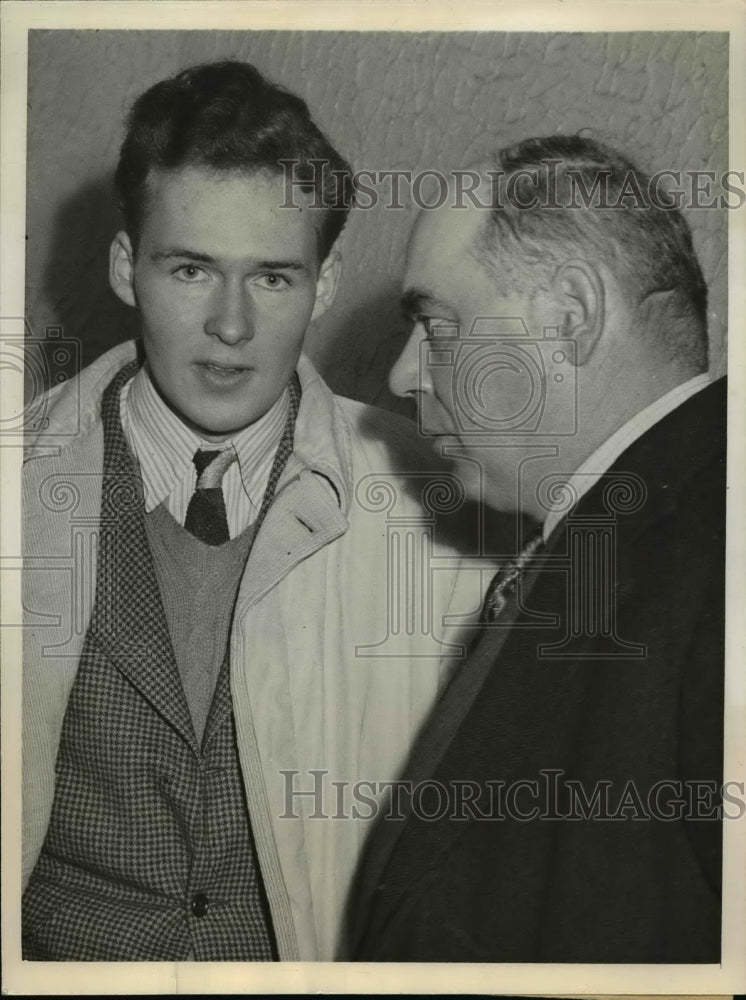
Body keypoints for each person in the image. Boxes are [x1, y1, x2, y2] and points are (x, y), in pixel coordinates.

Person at [21, 60, 478, 961]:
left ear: (326, 282)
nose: (230, 325)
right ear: (126, 266)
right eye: (192, 269)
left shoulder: (439, 505)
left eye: (272, 278)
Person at [348, 135, 726, 962]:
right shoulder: (627, 537)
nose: (404, 376)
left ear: (569, 317)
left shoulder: (719, 554)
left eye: (437, 326)